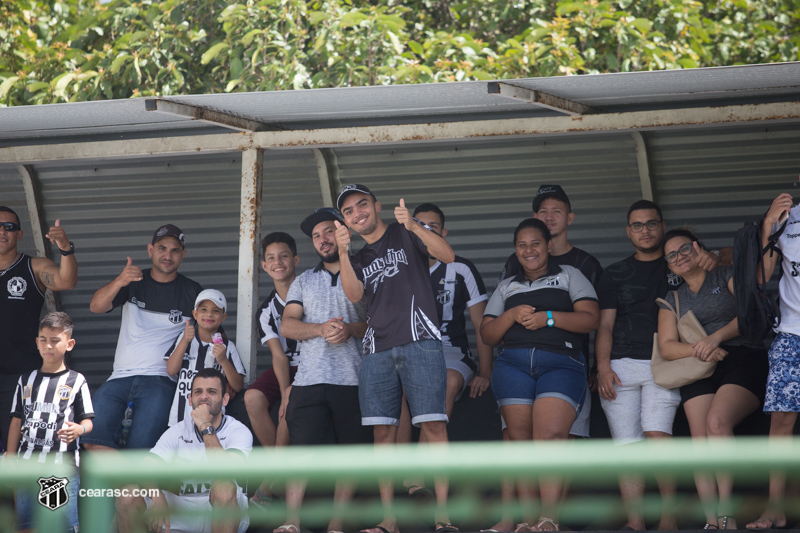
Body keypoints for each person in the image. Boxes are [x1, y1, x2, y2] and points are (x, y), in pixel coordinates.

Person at [334, 184, 457, 533]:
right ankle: (389, 520)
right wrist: (343, 252)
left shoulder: (407, 232)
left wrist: (416, 225)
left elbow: (447, 256)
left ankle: (443, 517)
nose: (358, 213)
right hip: (376, 349)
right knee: (383, 435)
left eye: (362, 204)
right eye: (349, 211)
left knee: (434, 426)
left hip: (421, 341)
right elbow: (355, 294)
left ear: (377, 206)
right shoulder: (356, 258)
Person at [596, 200, 724, 531]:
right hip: (620, 365)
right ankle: (636, 523)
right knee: (627, 446)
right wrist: (602, 366)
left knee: (657, 433)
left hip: (664, 365)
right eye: (637, 225)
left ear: (663, 226)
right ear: (628, 232)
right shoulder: (614, 273)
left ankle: (669, 518)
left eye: (651, 223)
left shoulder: (679, 263)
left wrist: (719, 256)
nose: (645, 230)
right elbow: (605, 326)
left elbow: (731, 258)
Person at [481, 218, 599, 532]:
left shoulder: (570, 275)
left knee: (549, 438)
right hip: (513, 367)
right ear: (515, 250)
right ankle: (526, 520)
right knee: (519, 443)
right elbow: (488, 334)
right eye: (522, 244)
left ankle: (549, 520)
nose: (529, 250)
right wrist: (509, 315)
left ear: (548, 245)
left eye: (536, 243)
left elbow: (590, 319)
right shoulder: (507, 286)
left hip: (561, 363)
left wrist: (548, 318)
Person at [657, 228, 768, 530]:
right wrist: (703, 350)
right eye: (672, 255)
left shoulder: (725, 275)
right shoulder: (673, 298)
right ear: (668, 266)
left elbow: (748, 314)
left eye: (684, 249)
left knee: (717, 422)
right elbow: (667, 347)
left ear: (698, 249)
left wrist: (716, 339)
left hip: (742, 357)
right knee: (700, 439)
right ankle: (710, 522)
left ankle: (726, 515)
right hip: (700, 365)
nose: (680, 257)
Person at [274, 207, 372, 533]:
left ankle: (336, 525)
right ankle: (291, 522)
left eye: (328, 231)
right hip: (309, 378)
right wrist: (319, 329)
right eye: (316, 236)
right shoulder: (303, 280)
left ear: (342, 231)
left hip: (354, 378)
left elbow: (379, 322)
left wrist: (350, 330)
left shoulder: (366, 269)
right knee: (299, 453)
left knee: (351, 455)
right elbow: (287, 326)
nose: (322, 240)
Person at [397, 203, 492, 497]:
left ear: (444, 232)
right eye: (419, 224)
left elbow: (482, 325)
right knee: (395, 392)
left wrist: (486, 372)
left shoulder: (460, 268)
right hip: (409, 352)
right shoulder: (397, 268)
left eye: (433, 227)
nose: (425, 231)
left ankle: (418, 473)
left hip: (450, 351)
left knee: (447, 382)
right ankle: (399, 478)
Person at [85, 224, 202, 451]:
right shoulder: (132, 283)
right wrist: (120, 280)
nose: (167, 255)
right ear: (150, 250)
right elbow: (95, 307)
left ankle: (131, 481)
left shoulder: (193, 291)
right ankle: (130, 484)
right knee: (91, 439)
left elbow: (213, 336)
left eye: (175, 250)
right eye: (161, 248)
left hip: (160, 381)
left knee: (141, 449)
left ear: (183, 255)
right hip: (119, 377)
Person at [116, 367, 252, 533]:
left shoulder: (238, 431)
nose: (204, 397)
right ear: (190, 399)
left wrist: (205, 426)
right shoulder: (177, 431)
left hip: (224, 509)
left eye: (212, 392)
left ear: (225, 399)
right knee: (127, 494)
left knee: (223, 485)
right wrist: (155, 494)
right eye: (198, 392)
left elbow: (226, 472)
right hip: (184, 507)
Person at [5, 311, 94, 532]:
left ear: (70, 344)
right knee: (26, 525)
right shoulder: (25, 380)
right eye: (43, 340)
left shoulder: (77, 381)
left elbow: (88, 420)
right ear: (37, 342)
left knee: (60, 526)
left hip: (61, 469)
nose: (48, 346)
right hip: (27, 466)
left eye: (55, 341)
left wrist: (80, 429)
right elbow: (16, 420)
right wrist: (10, 455)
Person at [0, 206, 77, 452]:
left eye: (9, 227)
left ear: (20, 234)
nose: (2, 231)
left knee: (21, 447)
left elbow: (66, 280)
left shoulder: (33, 267)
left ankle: (14, 492)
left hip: (18, 374)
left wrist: (65, 248)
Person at [746, 191, 799, 531]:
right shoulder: (788, 219)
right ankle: (775, 509)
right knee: (781, 420)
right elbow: (762, 276)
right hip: (792, 334)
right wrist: (768, 225)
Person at [244, 232, 301, 507]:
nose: (278, 262)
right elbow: (279, 356)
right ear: (264, 267)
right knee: (252, 397)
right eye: (271, 258)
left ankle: (269, 482)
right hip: (287, 365)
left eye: (284, 256)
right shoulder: (266, 310)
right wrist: (284, 392)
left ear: (296, 260)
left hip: (316, 363)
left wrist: (289, 393)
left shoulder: (311, 290)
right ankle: (281, 468)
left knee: (291, 400)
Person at [166, 289, 246, 426]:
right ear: (195, 314)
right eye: (203, 309)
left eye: (216, 311)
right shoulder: (184, 338)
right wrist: (185, 340)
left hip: (214, 420)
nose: (209, 314)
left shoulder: (228, 346)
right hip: (181, 418)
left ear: (223, 317)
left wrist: (223, 360)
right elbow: (171, 370)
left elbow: (238, 385)